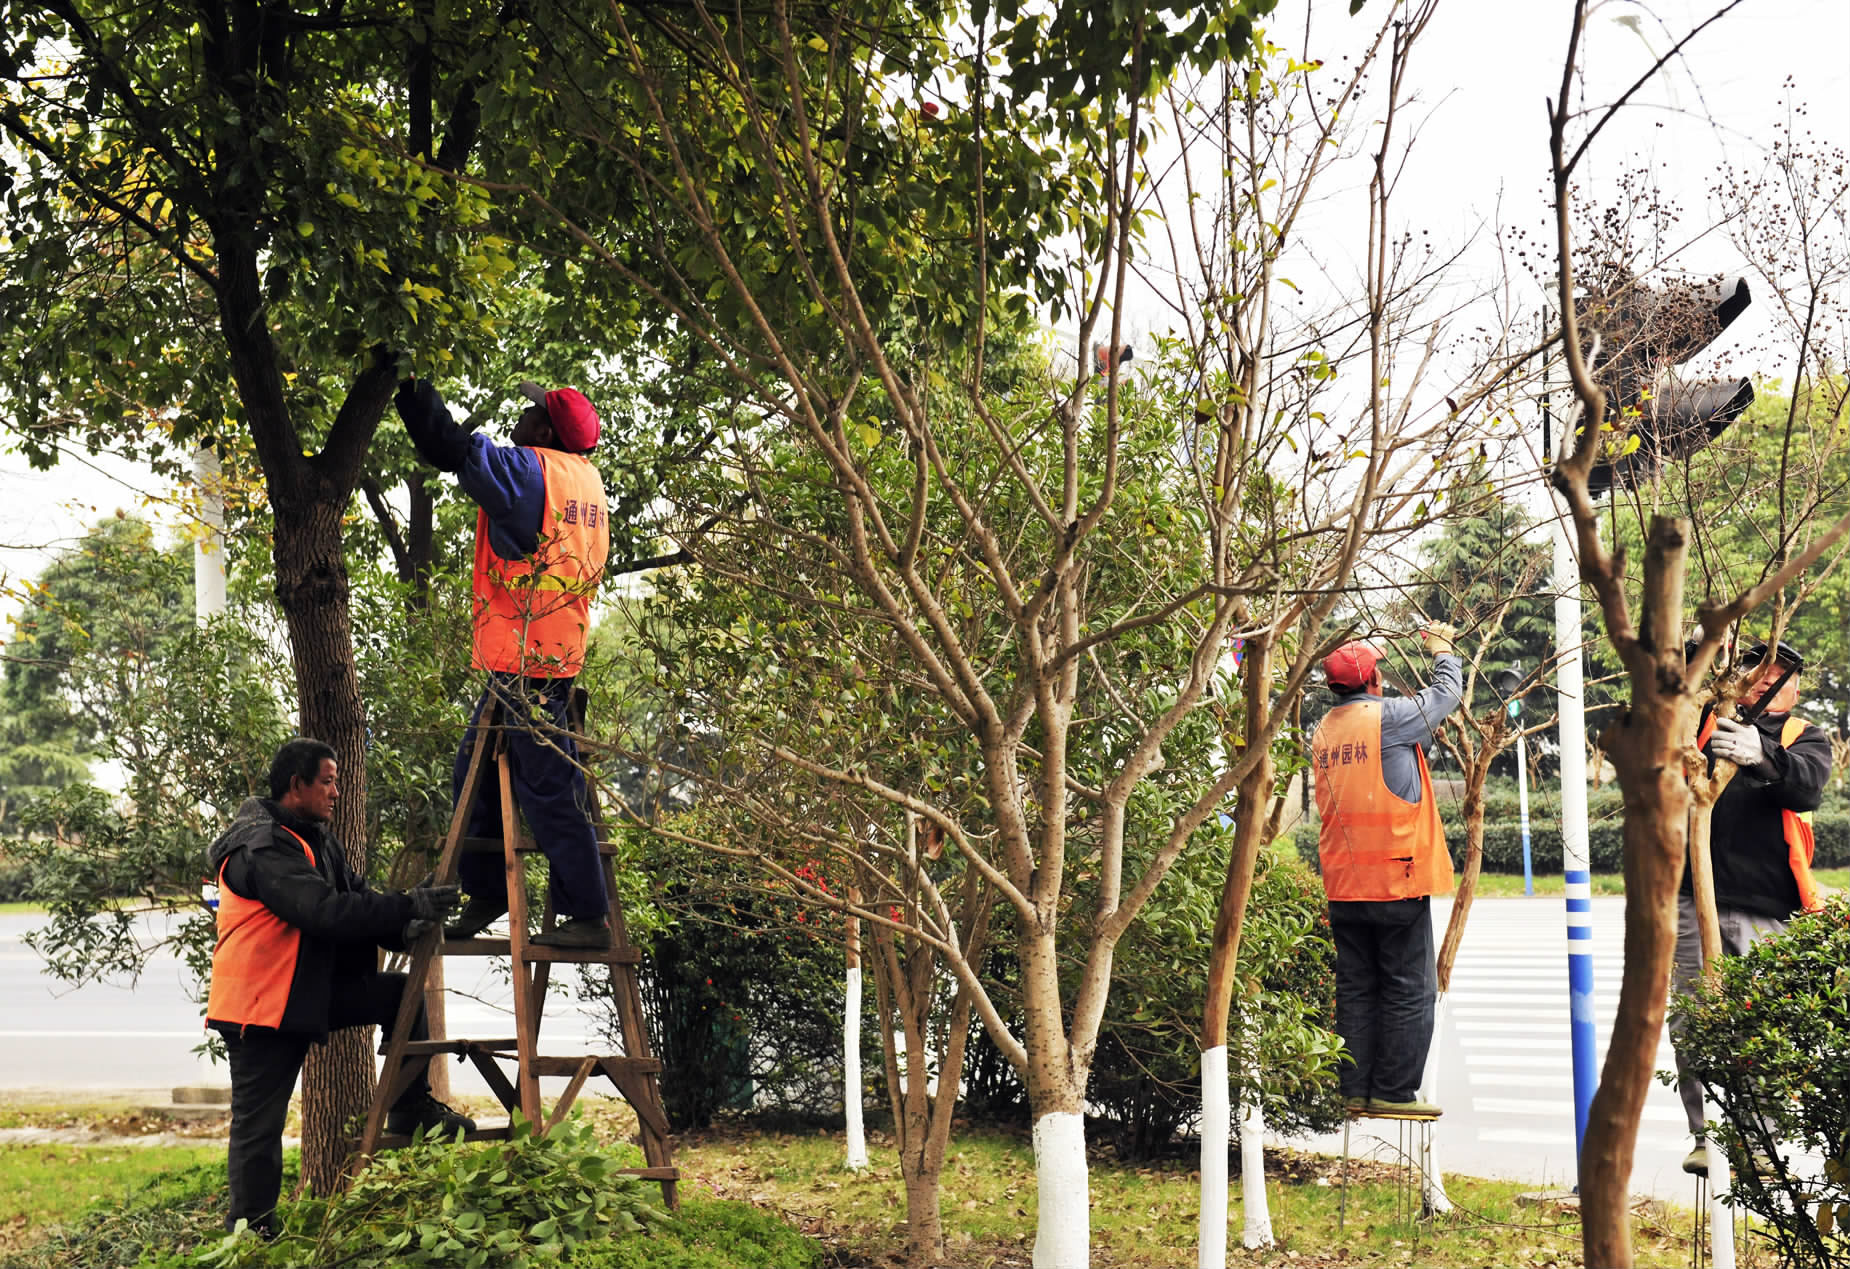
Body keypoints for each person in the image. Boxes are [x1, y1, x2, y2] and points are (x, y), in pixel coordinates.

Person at [205, 738, 473, 1236]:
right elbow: (322, 911)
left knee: (398, 994)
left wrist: (403, 925)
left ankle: (409, 1106)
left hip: (303, 994)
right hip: (259, 1008)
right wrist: (407, 905)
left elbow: (353, 896)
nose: (335, 792)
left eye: (336, 781)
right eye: (327, 781)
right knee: (258, 1128)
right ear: (296, 786)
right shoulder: (262, 847)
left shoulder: (313, 836)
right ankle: (250, 1230)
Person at [395, 377, 613, 949]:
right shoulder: (585, 482)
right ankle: (487, 890)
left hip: (528, 660)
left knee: (548, 787)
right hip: (552, 654)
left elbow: (453, 450)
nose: (519, 417)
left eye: (529, 412)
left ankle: (588, 913)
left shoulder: (529, 471)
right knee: (473, 773)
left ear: (545, 432)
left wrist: (411, 387)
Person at [1672, 639, 1829, 1177]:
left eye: (1777, 675)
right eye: (1755, 671)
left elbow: (1807, 786)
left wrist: (1761, 753)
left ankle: (1756, 1141)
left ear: (1795, 686)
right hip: (1696, 902)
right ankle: (1705, 1135)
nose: (1764, 681)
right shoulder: (1701, 723)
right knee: (1696, 1022)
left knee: (1759, 1027)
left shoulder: (1804, 736)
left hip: (1770, 908)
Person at [1312, 624, 1462, 1117]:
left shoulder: (1324, 730)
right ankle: (1393, 1093)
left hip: (1343, 882)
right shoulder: (1390, 719)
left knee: (1356, 986)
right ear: (1373, 678)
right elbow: (1446, 695)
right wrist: (1442, 650)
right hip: (1394, 879)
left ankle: (1353, 1088)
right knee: (1407, 986)